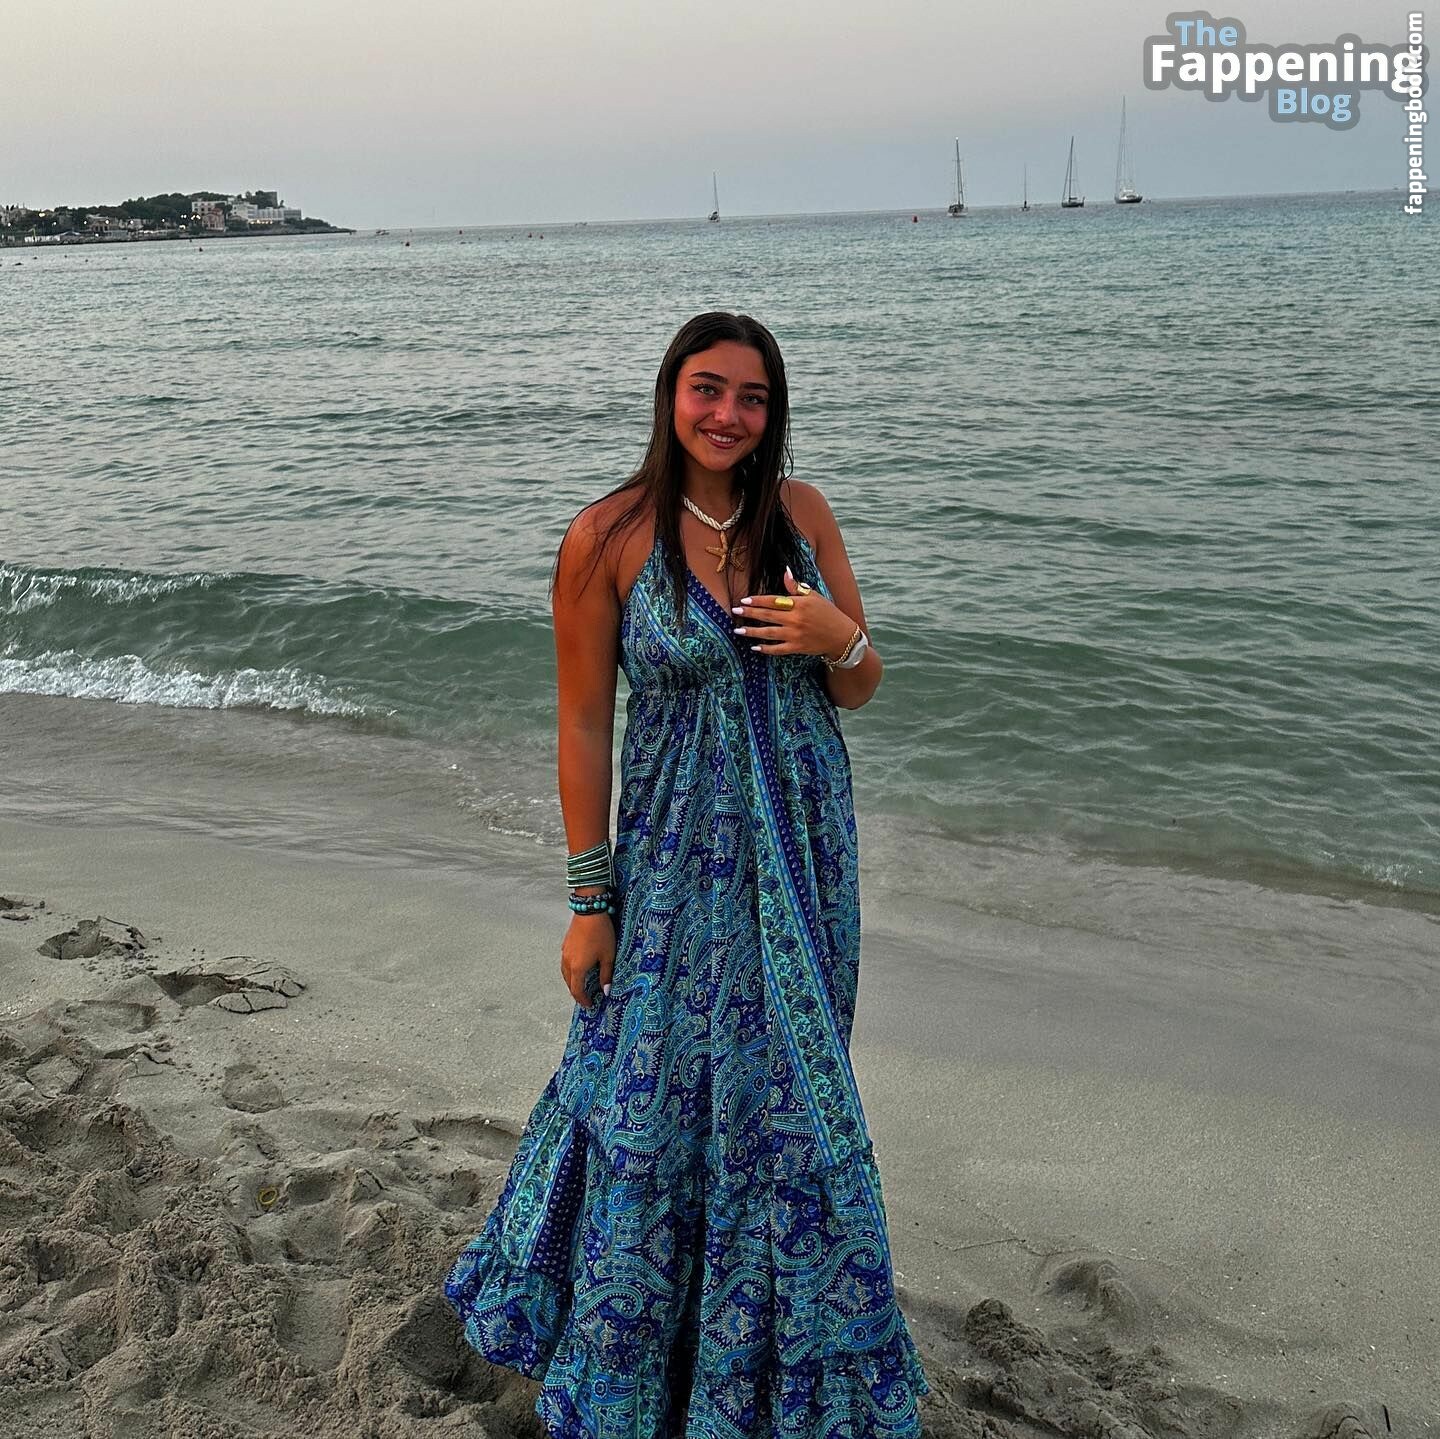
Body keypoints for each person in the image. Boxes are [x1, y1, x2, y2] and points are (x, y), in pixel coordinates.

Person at [444, 311, 928, 1439]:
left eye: (752, 397)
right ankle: (635, 1354)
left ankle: (782, 1371)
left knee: (789, 1093)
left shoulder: (802, 517)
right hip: (671, 861)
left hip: (802, 855)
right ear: (671, 394)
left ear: (773, 412)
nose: (728, 414)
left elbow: (859, 685)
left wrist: (838, 634)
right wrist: (588, 900)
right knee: (650, 1084)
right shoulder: (607, 536)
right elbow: (580, 725)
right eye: (708, 388)